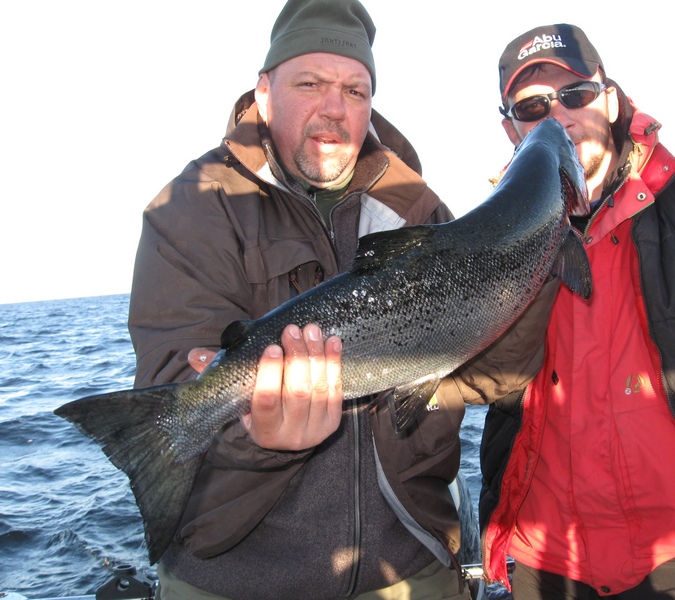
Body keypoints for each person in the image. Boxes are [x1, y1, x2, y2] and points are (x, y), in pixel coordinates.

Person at [126, 0, 560, 598]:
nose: (335, 107)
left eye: (355, 91)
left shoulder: (418, 207)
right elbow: (177, 372)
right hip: (236, 575)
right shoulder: (194, 207)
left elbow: (488, 375)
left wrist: (538, 258)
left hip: (410, 560)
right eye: (310, 84)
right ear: (263, 93)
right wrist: (263, 440)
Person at [470, 23, 675, 599]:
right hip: (546, 568)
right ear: (510, 128)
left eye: (575, 94)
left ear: (610, 99)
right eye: (532, 106)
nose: (558, 116)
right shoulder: (490, 243)